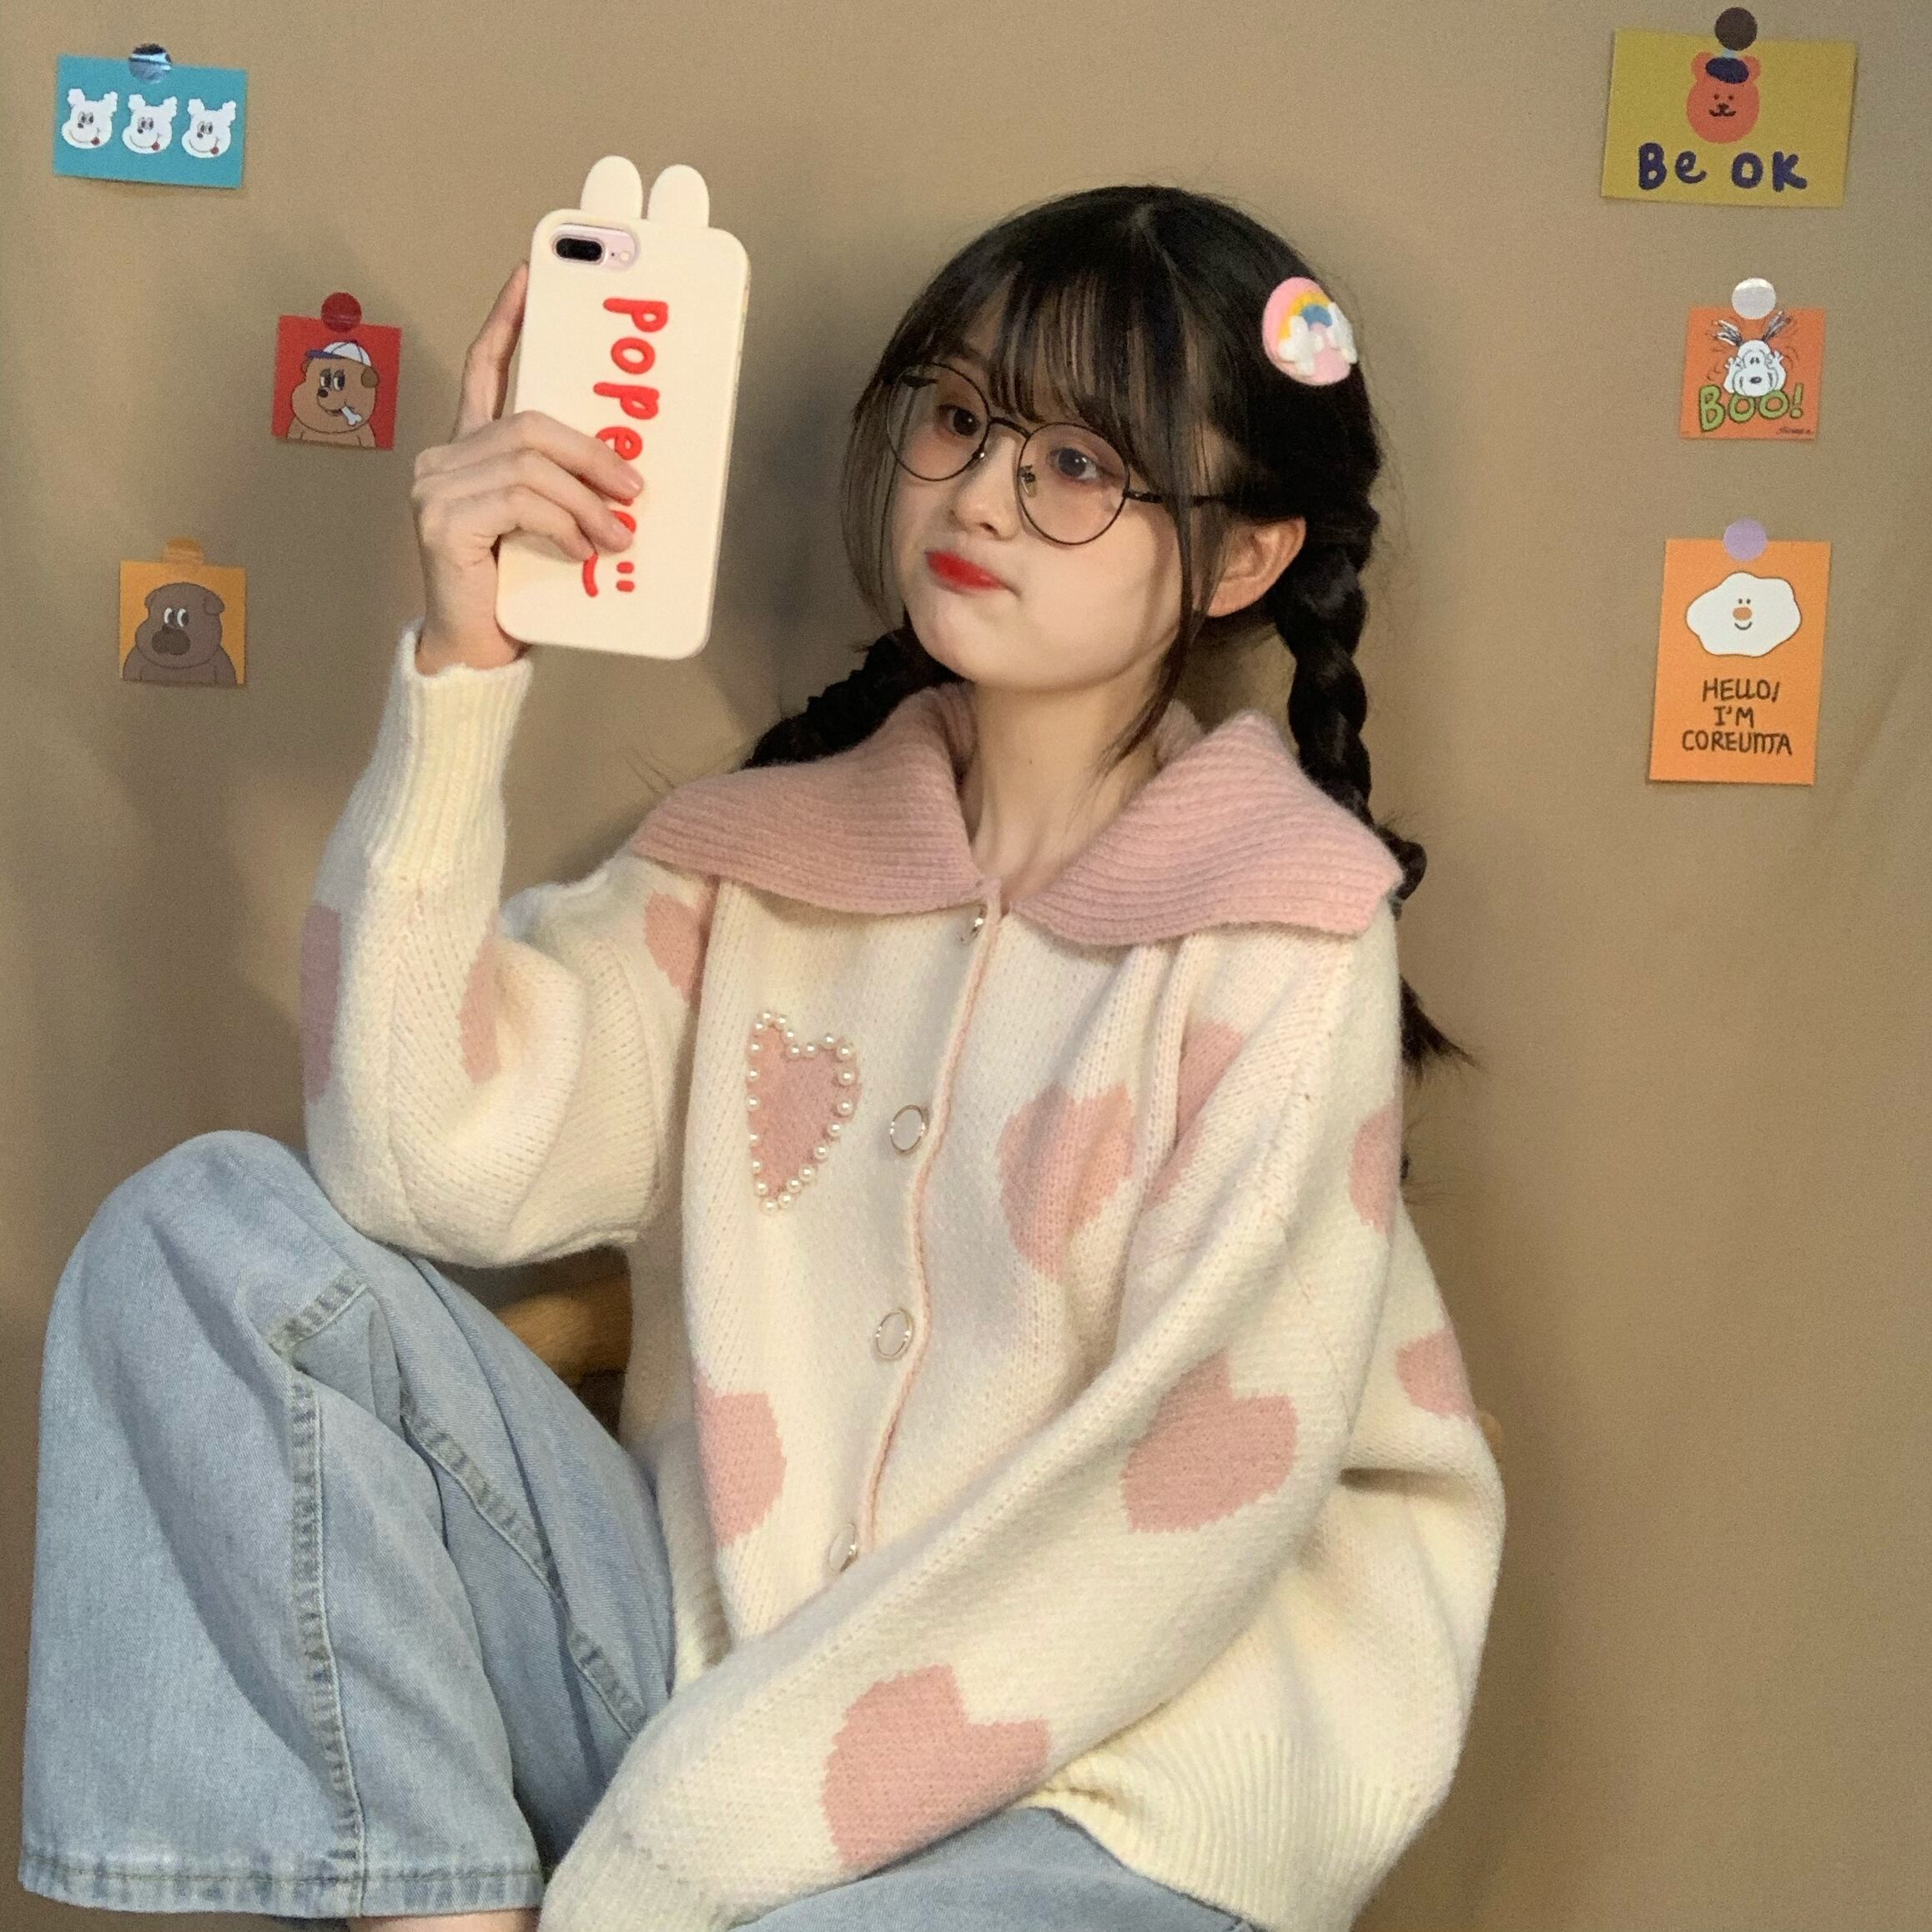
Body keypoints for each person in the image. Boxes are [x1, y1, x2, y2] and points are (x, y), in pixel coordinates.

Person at [20, 184, 1505, 1932]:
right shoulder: (758, 866)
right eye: (961, 419)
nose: (979, 495)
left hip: (1108, 1793)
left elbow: (1157, 1522)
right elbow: (417, 1162)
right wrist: (464, 662)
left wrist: (666, 1865)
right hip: (709, 1681)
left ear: (1243, 558)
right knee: (206, 1236)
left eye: (1077, 466)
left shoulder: (1286, 931)